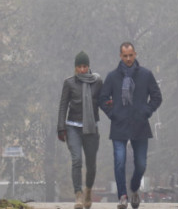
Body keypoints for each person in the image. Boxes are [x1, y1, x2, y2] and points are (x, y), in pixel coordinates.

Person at [99, 42, 163, 209]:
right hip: (119, 126)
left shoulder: (146, 75)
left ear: (135, 54)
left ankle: (134, 188)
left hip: (140, 124)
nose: (128, 59)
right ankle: (123, 196)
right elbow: (102, 98)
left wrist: (146, 111)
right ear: (120, 56)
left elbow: (157, 97)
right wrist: (113, 114)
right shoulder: (113, 77)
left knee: (141, 163)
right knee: (119, 161)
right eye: (125, 56)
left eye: (130, 55)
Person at [57, 51, 104, 209]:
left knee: (91, 164)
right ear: (75, 68)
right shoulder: (69, 83)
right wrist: (61, 127)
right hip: (73, 127)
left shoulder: (97, 82)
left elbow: (103, 101)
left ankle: (88, 191)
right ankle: (78, 194)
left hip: (91, 129)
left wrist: (113, 110)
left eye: (85, 66)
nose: (82, 70)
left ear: (89, 66)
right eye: (79, 67)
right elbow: (63, 105)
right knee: (77, 160)